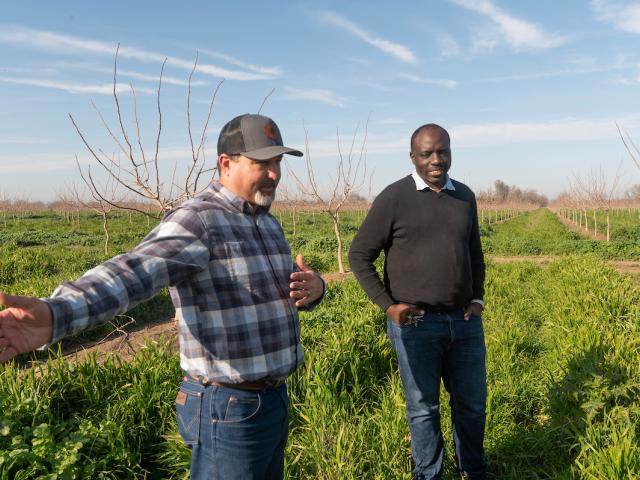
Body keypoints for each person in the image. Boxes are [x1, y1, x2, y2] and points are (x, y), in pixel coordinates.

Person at [0, 113, 326, 480]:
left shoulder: (266, 222)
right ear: (226, 163)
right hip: (229, 406)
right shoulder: (200, 220)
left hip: (273, 400)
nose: (274, 173)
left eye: (277, 162)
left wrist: (316, 289)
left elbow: (280, 293)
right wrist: (57, 313)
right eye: (262, 163)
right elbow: (134, 271)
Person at [348, 123, 487, 479]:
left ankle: (473, 469)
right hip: (416, 325)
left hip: (465, 323)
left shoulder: (465, 196)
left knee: (471, 406)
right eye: (427, 153)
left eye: (443, 151)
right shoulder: (394, 197)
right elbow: (360, 255)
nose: (436, 160)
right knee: (424, 408)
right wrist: (388, 305)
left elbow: (474, 252)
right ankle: (429, 474)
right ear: (413, 157)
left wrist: (477, 299)